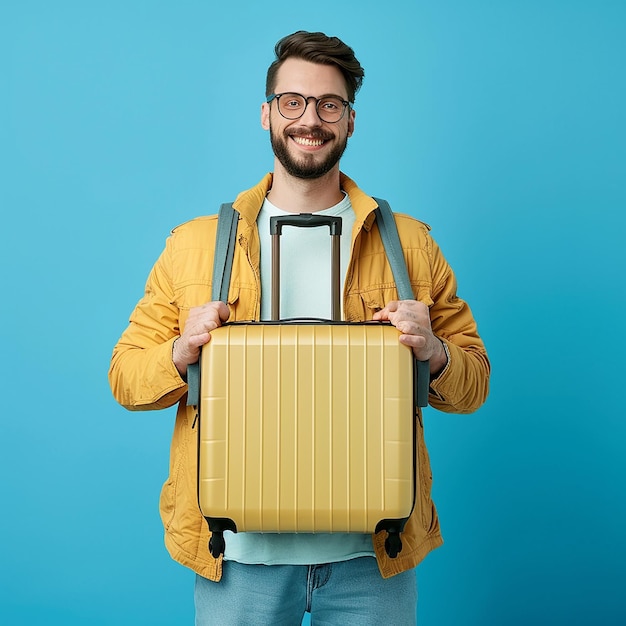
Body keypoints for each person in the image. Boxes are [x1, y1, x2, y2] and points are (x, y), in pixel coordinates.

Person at [109, 30, 490, 625]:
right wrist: (181, 351)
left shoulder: (410, 247)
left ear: (350, 121)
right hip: (239, 558)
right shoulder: (194, 246)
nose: (309, 119)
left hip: (372, 559)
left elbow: (475, 384)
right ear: (266, 113)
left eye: (328, 104)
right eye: (293, 102)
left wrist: (436, 353)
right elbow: (125, 377)